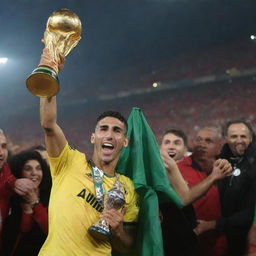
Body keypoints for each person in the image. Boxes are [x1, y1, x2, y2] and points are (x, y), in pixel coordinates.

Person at [36, 48, 139, 256]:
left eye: (117, 131)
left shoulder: (127, 187)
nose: (109, 135)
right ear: (93, 137)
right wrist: (50, 72)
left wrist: (118, 231)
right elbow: (48, 124)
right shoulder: (69, 161)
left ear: (125, 142)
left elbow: (127, 248)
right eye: (103, 129)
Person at [196, 119, 256, 256]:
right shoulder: (219, 161)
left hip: (248, 239)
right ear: (226, 139)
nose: (239, 140)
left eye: (243, 136)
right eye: (234, 136)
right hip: (223, 240)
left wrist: (213, 224)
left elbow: (252, 213)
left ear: (251, 138)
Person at [177, 127, 229, 256]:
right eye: (198, 140)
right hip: (186, 246)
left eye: (208, 141)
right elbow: (181, 200)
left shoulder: (226, 168)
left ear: (219, 147)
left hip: (220, 246)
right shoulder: (178, 169)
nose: (201, 144)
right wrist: (213, 177)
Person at [3, 150, 51, 256]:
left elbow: (51, 232)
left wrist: (35, 203)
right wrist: (27, 210)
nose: (34, 173)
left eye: (38, 168)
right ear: (19, 173)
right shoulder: (12, 199)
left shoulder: (51, 199)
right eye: (28, 169)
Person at [0, 129, 36, 252]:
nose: (1, 153)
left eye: (3, 146)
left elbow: (7, 179)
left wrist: (15, 183)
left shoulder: (5, 170)